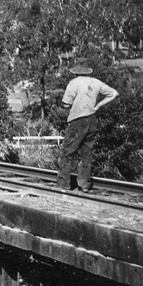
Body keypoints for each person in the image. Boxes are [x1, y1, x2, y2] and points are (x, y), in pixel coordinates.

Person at [57, 59, 118, 192]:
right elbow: (114, 93)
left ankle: (64, 184)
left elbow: (66, 103)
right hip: (92, 120)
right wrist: (97, 106)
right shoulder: (96, 82)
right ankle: (84, 184)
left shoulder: (74, 83)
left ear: (75, 72)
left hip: (77, 120)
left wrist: (66, 105)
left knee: (68, 153)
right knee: (87, 153)